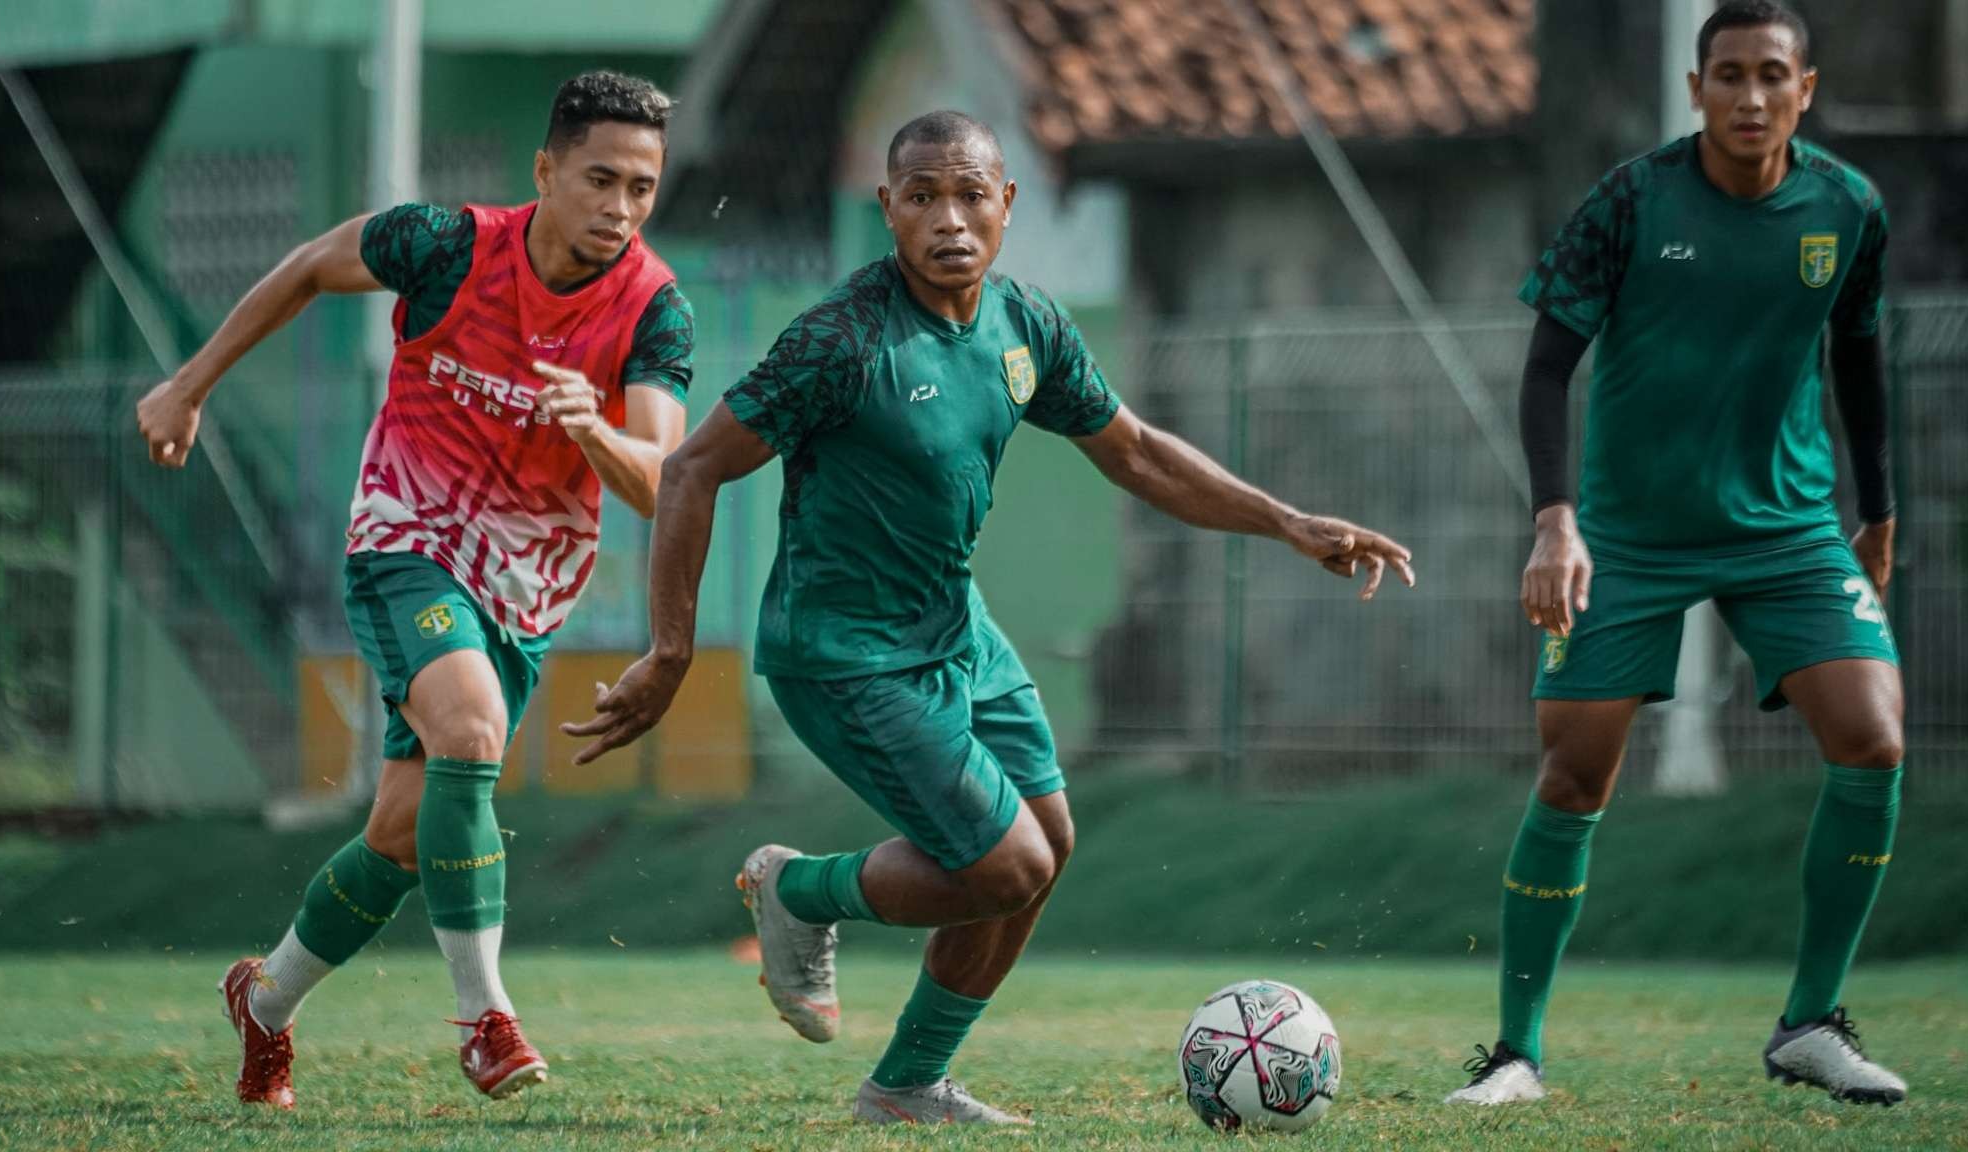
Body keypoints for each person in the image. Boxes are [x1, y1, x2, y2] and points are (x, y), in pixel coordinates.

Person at [563, 110, 1414, 1126]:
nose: (948, 218)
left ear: (1006, 204)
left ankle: (907, 1086)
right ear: (888, 210)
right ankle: (799, 892)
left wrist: (1285, 523)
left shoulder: (1027, 326)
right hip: (843, 652)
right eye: (921, 195)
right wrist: (669, 651)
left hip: (955, 630)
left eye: (970, 193)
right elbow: (693, 468)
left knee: (1044, 845)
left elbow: (1134, 451)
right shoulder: (841, 338)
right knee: (1003, 864)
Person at [135, 71, 692, 1108]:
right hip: (405, 540)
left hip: (522, 593)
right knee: (471, 730)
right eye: (601, 179)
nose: (620, 208)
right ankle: (486, 1018)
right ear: (546, 171)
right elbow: (308, 267)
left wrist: (592, 429)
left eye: (644, 187)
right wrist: (187, 384)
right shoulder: (444, 243)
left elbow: (659, 477)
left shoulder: (654, 308)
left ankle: (265, 1001)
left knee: (400, 831)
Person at [1447, 1, 1907, 1107]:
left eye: (1770, 76)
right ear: (1694, 88)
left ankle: (1808, 1023)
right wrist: (1554, 520)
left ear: (1805, 89)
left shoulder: (1846, 207)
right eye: (1727, 76)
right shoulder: (1629, 200)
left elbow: (1856, 358)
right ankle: (1514, 1055)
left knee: (1873, 740)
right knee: (1572, 773)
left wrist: (1876, 509)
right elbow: (1547, 365)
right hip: (1627, 538)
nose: (1748, 97)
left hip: (1786, 530)